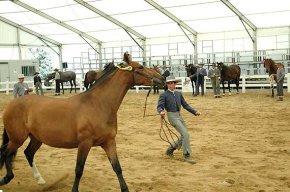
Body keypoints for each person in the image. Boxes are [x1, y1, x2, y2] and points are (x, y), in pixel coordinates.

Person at [157, 76, 201, 164]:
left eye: (172, 83)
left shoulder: (178, 94)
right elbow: (159, 106)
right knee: (185, 134)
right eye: (168, 83)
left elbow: (185, 105)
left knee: (184, 135)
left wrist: (194, 111)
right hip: (172, 116)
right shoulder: (164, 95)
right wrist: (161, 111)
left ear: (175, 84)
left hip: (179, 115)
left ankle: (171, 149)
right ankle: (186, 155)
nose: (170, 85)